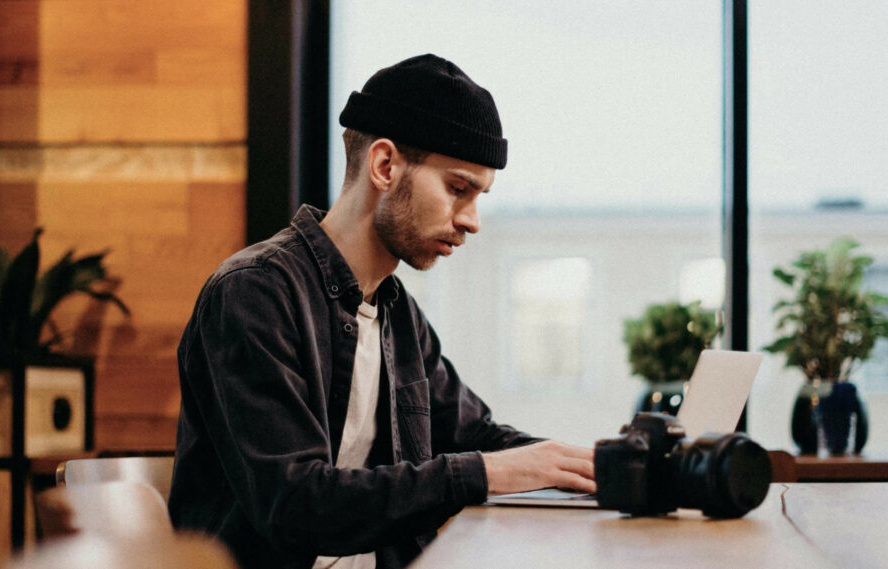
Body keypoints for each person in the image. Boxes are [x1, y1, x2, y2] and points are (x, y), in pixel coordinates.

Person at [169, 54, 596, 569]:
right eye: (458, 189)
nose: (472, 221)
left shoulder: (397, 313)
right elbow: (297, 505)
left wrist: (598, 467)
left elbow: (477, 436)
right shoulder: (254, 294)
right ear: (385, 165)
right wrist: (488, 472)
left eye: (479, 196)